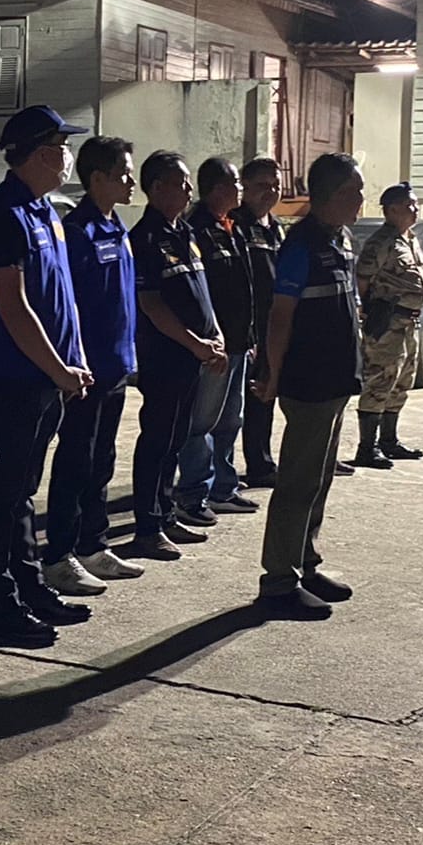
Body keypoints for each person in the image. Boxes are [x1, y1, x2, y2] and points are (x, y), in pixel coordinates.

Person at [0, 105, 97, 646]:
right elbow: (13, 307)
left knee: (24, 491)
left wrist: (74, 361)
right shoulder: (6, 215)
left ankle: (29, 587)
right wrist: (57, 368)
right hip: (20, 380)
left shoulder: (45, 211)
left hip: (51, 377)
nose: (67, 157)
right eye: (62, 148)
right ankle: (0, 605)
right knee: (3, 496)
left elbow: (61, 297)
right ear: (42, 154)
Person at [253, 152, 365, 619]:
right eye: (354, 191)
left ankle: (305, 562)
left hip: (335, 381)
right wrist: (272, 373)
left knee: (319, 480)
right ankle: (279, 581)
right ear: (331, 195)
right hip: (309, 382)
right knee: (297, 483)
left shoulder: (340, 240)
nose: (361, 199)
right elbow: (280, 317)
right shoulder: (300, 246)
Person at [42, 136, 147, 597]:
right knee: (76, 461)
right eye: (123, 173)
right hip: (87, 370)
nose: (131, 180)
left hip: (117, 365)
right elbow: (67, 306)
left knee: (102, 460)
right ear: (98, 178)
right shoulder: (78, 231)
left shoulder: (116, 225)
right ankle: (59, 555)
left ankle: (93, 545)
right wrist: (72, 363)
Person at [128, 150, 226, 562]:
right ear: (156, 188)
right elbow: (152, 305)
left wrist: (215, 334)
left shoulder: (184, 231)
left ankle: (166, 513)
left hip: (194, 355)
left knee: (177, 438)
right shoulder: (145, 238)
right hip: (166, 356)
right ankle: (147, 527)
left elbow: (201, 291)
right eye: (180, 182)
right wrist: (194, 343)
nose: (188, 190)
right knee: (157, 438)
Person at [175, 156, 260, 524]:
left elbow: (243, 286)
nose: (241, 189)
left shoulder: (231, 226)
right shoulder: (196, 229)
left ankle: (223, 487)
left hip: (239, 342)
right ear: (217, 188)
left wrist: (249, 337)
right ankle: (193, 493)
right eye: (235, 183)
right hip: (213, 346)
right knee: (201, 423)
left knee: (230, 419)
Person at [352, 182, 423, 469]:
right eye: (410, 205)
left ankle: (389, 440)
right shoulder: (381, 242)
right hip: (387, 320)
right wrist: (365, 312)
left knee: (402, 381)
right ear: (392, 209)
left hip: (409, 321)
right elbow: (362, 280)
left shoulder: (410, 240)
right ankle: (366, 448)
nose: (415, 209)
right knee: (380, 380)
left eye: (416, 204)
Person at [235, 156, 286, 488]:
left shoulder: (276, 227)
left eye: (276, 185)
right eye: (262, 186)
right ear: (245, 187)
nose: (271, 192)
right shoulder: (236, 224)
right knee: (232, 408)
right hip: (245, 329)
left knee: (264, 397)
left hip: (272, 328)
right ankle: (217, 476)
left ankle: (261, 463)